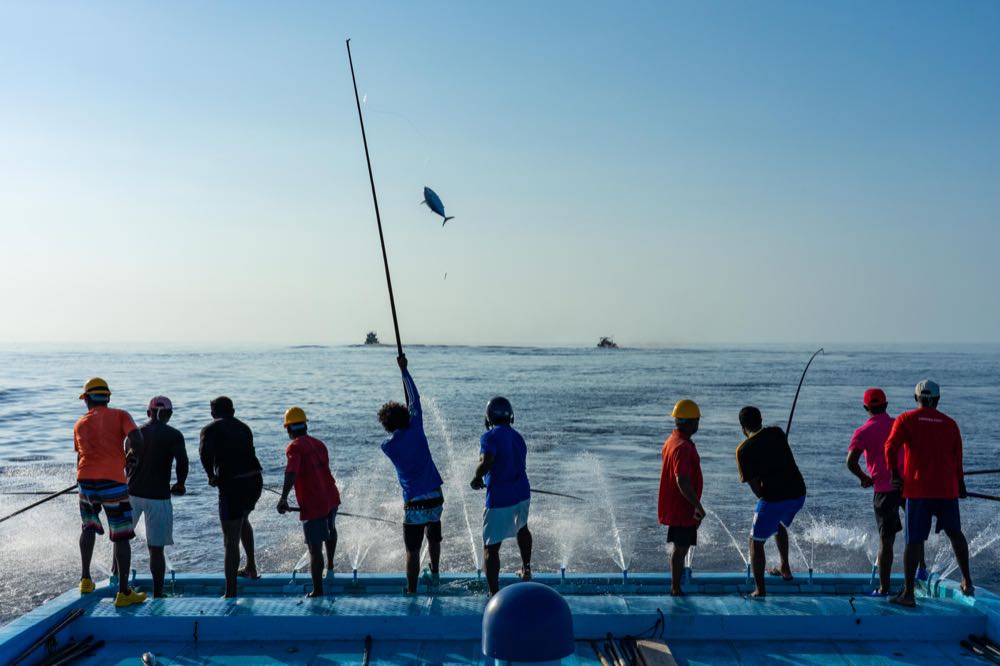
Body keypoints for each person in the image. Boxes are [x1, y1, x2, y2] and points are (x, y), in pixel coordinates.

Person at [886, 380, 973, 607]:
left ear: (917, 399)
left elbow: (890, 448)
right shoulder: (950, 424)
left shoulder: (906, 420)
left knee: (913, 540)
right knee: (955, 534)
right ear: (937, 399)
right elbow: (957, 459)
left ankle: (908, 594)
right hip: (947, 490)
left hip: (918, 491)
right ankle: (967, 581)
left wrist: (895, 474)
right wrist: (960, 485)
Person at [74, 377, 147, 608]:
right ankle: (124, 592)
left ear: (86, 399)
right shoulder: (120, 415)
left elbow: (80, 457)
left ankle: (85, 580)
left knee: (88, 527)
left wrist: (86, 479)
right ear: (107, 397)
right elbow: (137, 439)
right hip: (113, 481)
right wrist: (133, 458)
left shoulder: (80, 424)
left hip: (85, 479)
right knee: (121, 534)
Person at [846, 388, 926, 596]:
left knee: (886, 541)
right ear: (886, 405)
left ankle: (884, 588)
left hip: (883, 491)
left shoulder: (862, 432)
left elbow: (851, 462)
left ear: (866, 408)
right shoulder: (898, 424)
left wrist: (864, 477)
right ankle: (922, 570)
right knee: (915, 531)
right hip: (907, 486)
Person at [378, 355, 444, 594]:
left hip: (414, 503)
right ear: (407, 416)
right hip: (435, 496)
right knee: (434, 536)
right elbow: (415, 399)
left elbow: (407, 414)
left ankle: (412, 589)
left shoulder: (388, 446)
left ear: (386, 425)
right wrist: (404, 372)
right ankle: (435, 573)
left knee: (412, 550)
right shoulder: (417, 427)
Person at [736, 406, 807, 598]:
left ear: (743, 427)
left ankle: (760, 590)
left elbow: (756, 488)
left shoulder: (743, 450)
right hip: (799, 494)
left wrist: (766, 497)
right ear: (761, 420)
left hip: (775, 498)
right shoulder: (777, 432)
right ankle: (785, 567)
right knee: (778, 523)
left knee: (755, 542)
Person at [199, 396, 263, 598]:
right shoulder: (244, 427)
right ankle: (251, 567)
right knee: (243, 519)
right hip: (255, 480)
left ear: (213, 413)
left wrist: (211, 476)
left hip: (233, 485)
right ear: (233, 411)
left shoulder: (210, 429)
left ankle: (231, 592)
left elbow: (204, 454)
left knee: (230, 538)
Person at [276, 407, 341, 597]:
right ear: (305, 425)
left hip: (314, 503)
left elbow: (291, 472)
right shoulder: (319, 444)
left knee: (314, 548)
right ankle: (330, 567)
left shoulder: (294, 447)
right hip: (331, 496)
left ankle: (318, 590)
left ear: (289, 429)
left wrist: (283, 497)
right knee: (331, 529)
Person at [470, 396, 532, 597]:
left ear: (488, 419)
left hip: (500, 497)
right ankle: (526, 569)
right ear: (511, 417)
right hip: (522, 491)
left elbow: (487, 460)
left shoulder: (488, 437)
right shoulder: (518, 437)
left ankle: (493, 591)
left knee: (491, 547)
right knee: (522, 528)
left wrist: (477, 477)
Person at [128, 395, 188, 598]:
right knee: (156, 549)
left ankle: (119, 587)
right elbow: (182, 463)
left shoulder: (134, 434)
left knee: (121, 542)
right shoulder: (174, 435)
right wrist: (180, 484)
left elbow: (126, 465)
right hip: (159, 497)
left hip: (131, 494)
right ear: (169, 414)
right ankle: (158, 593)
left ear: (148, 413)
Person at [657, 399, 706, 597]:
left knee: (680, 548)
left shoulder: (672, 441)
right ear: (689, 422)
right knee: (681, 549)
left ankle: (676, 586)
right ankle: (676, 589)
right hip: (683, 507)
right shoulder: (682, 447)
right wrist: (698, 506)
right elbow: (682, 480)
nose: (698, 424)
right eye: (696, 420)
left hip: (678, 505)